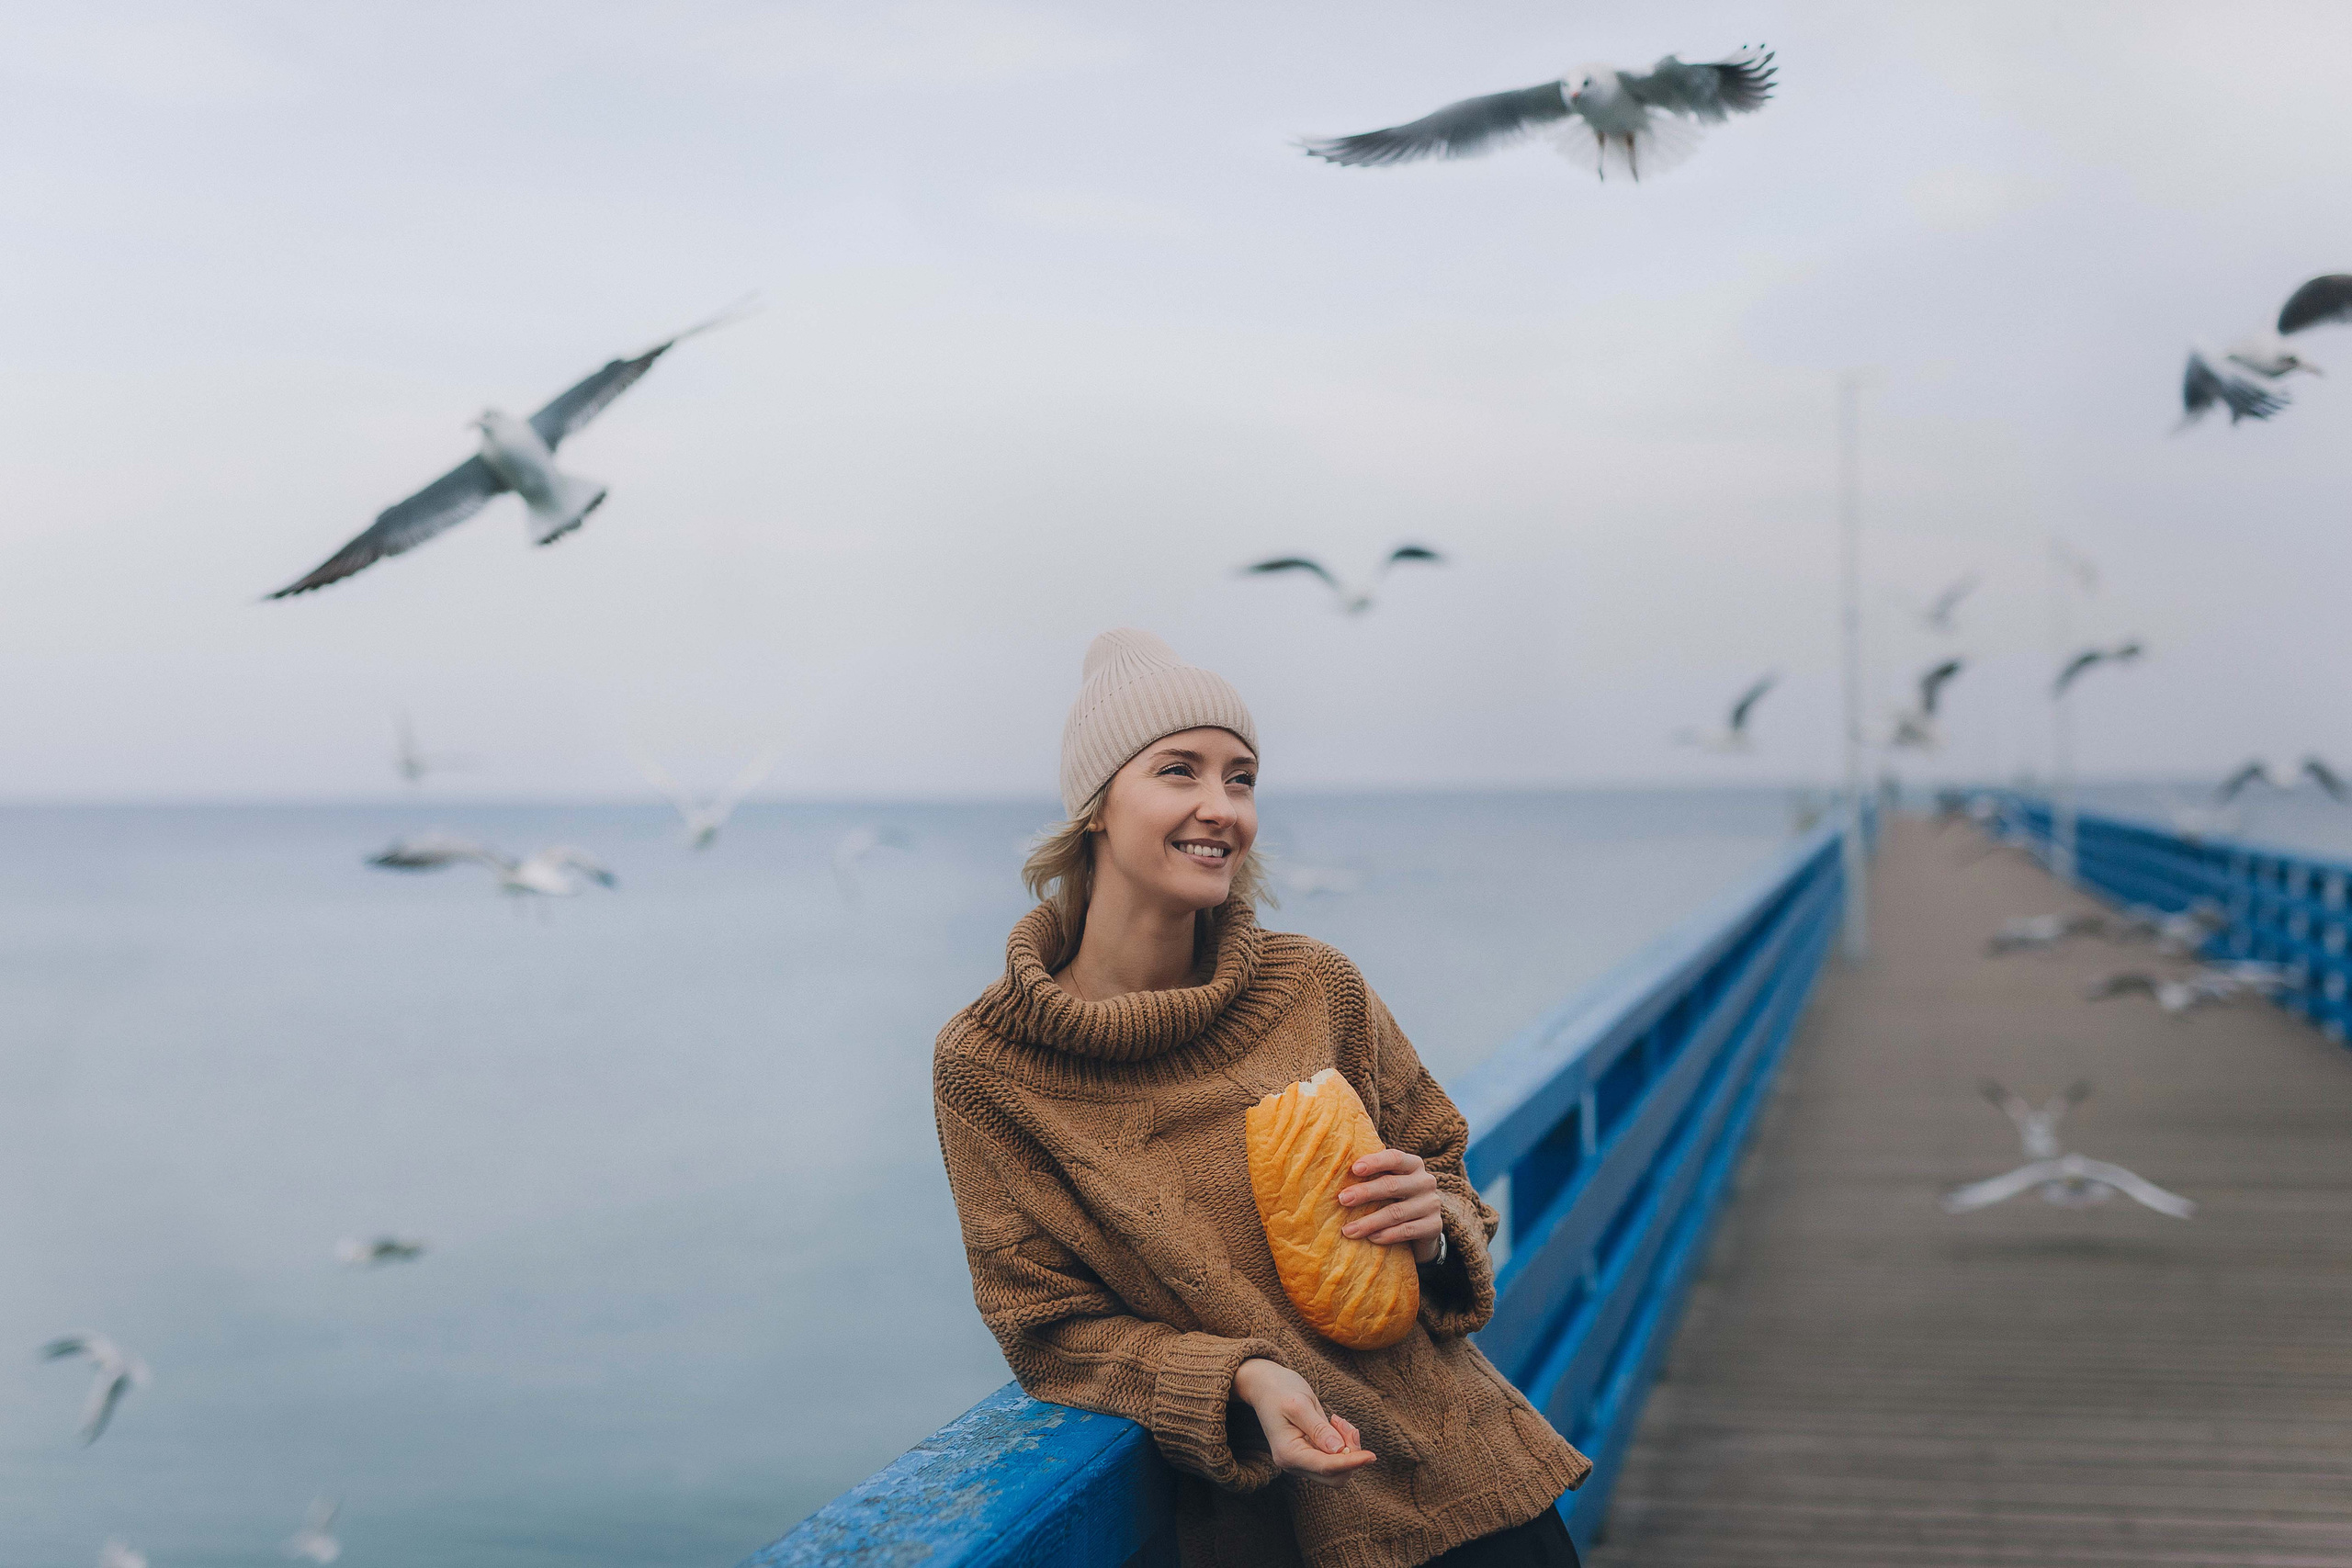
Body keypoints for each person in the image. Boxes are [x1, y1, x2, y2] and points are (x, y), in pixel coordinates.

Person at [933, 628, 1589, 1568]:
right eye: (1179, 770)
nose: (1222, 807)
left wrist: (1436, 1224)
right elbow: (1048, 1329)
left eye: (1240, 778)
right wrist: (1235, 1377)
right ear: (1095, 807)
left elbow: (1446, 1170)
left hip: (1478, 1495)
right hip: (1277, 1530)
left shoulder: (1316, 986)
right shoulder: (990, 1067)